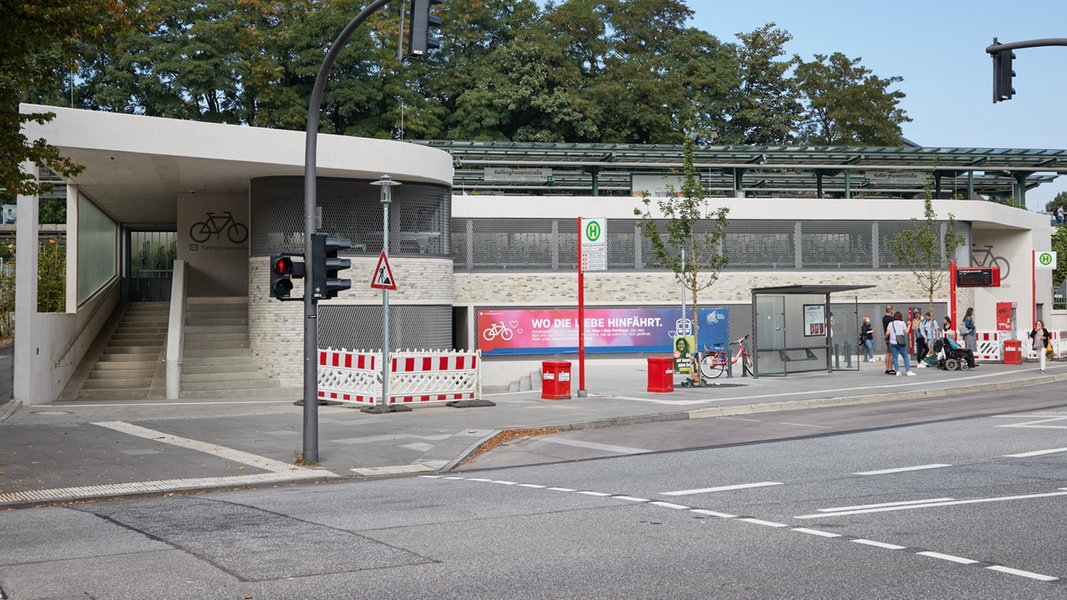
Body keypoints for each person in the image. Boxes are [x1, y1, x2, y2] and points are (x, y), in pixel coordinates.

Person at [887, 311, 916, 376]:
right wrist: (909, 325)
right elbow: (906, 332)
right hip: (900, 343)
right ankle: (908, 370)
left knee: (895, 357)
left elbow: (887, 333)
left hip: (892, 342)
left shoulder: (890, 323)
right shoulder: (902, 323)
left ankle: (897, 371)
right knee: (905, 356)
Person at [882, 305, 895, 375]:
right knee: (892, 353)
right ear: (890, 310)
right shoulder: (891, 318)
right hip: (891, 337)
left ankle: (887, 368)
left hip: (886, 337)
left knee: (888, 353)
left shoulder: (884, 318)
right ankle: (890, 368)